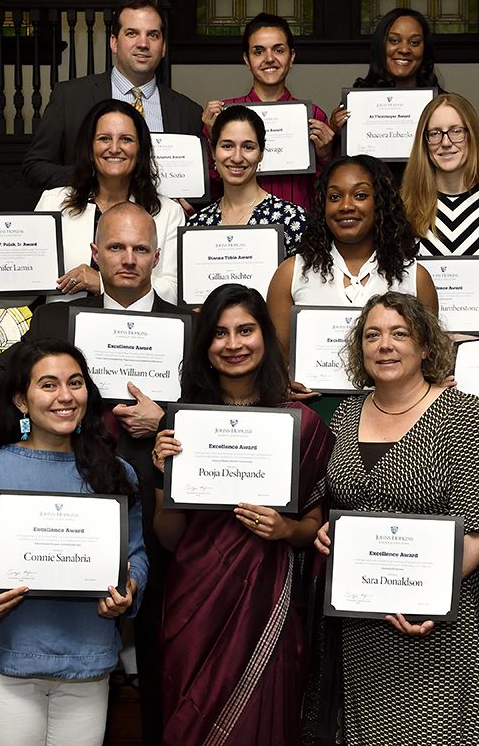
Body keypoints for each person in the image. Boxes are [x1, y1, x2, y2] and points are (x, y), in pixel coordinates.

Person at [0, 201, 182, 743]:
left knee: (155, 644)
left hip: (156, 504)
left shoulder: (189, 322)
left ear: (157, 256)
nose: (128, 259)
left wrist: (168, 417)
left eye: (140, 248)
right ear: (95, 254)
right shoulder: (55, 318)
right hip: (51, 494)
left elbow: (214, 415)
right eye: (115, 247)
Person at [312, 292, 479, 745]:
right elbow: (339, 506)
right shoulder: (345, 415)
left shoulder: (464, 414)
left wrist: (423, 597)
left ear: (425, 346)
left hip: (439, 625)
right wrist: (332, 532)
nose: (385, 345)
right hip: (364, 629)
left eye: (400, 334)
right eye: (373, 335)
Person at [0, 339, 148, 746]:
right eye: (48, 385)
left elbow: (135, 554)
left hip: (88, 665)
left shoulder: (117, 473)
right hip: (3, 663)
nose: (65, 396)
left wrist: (130, 587)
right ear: (21, 399)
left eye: (75, 383)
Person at [153, 283, 335, 745]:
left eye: (246, 330)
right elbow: (169, 538)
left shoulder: (303, 424)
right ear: (204, 347)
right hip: (195, 601)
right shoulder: (181, 425)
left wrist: (285, 528)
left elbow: (313, 529)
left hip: (270, 601)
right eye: (219, 333)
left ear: (266, 336)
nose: (233, 344)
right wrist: (164, 476)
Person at [0, 99, 184, 305]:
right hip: (63, 347)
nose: (115, 148)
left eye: (127, 139)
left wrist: (100, 283)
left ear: (141, 149)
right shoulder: (54, 203)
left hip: (139, 342)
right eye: (104, 138)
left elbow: (174, 291)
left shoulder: (167, 212)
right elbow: (25, 286)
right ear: (89, 147)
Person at [267, 154, 438, 363]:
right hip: (312, 396)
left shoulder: (415, 277)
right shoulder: (291, 273)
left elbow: (428, 358)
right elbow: (277, 363)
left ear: (380, 203)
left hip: (390, 396)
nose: (346, 205)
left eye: (360, 195)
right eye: (335, 197)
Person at [22, 0, 202, 191]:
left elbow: (199, 182)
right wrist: (95, 175)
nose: (143, 43)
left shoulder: (188, 112)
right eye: (132, 33)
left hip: (161, 218)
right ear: (114, 43)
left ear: (163, 47)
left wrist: (190, 201)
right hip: (90, 217)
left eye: (153, 35)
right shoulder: (70, 97)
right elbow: (35, 168)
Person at [201, 13, 336, 211]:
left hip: (298, 228)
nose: (269, 59)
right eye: (258, 51)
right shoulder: (222, 116)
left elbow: (327, 192)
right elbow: (211, 191)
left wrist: (325, 156)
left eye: (278, 50)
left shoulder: (313, 116)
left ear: (292, 57)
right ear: (247, 59)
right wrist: (213, 137)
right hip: (239, 226)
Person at [402, 92, 479, 259]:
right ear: (424, 143)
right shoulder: (404, 208)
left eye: (456, 131)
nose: (445, 142)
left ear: (472, 136)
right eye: (435, 133)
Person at [186, 105, 308, 256]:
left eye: (248, 147)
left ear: (261, 153)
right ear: (213, 152)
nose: (237, 158)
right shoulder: (197, 224)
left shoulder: (291, 218)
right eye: (227, 146)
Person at [332, 8, 443, 133]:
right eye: (394, 40)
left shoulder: (443, 105)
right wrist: (336, 133)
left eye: (414, 42)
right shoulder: (355, 104)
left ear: (425, 50)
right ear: (381, 46)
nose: (405, 50)